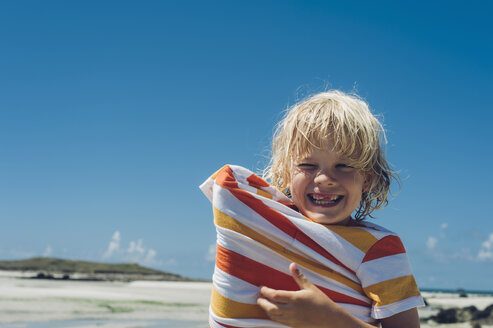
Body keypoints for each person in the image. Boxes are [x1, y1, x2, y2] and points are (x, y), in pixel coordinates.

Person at [201, 90, 424, 328]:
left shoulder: (379, 250)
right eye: (308, 165)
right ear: (286, 174)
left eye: (344, 165)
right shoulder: (259, 226)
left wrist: (332, 321)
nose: (324, 179)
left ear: (368, 178)